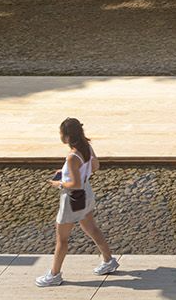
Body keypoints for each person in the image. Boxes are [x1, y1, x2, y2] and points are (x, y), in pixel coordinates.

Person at [36, 118, 118, 287]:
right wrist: (66, 171)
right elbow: (95, 166)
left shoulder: (73, 156)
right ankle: (109, 261)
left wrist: (59, 183)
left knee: (62, 239)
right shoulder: (87, 146)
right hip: (87, 193)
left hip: (73, 198)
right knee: (91, 228)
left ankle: (54, 275)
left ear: (66, 136)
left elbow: (75, 184)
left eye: (61, 133)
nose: (60, 135)